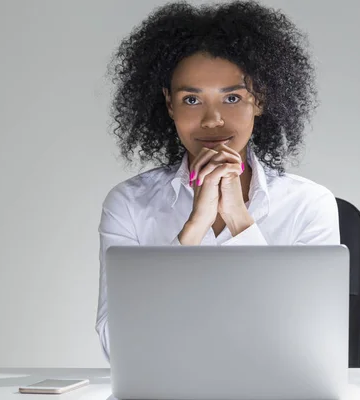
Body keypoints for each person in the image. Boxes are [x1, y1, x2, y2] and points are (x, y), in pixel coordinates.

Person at [95, 0, 340, 362]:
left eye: (232, 97)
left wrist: (240, 221)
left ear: (260, 100)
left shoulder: (309, 204)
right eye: (192, 99)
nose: (212, 120)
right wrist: (193, 229)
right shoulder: (129, 205)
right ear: (169, 105)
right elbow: (116, 346)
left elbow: (312, 345)